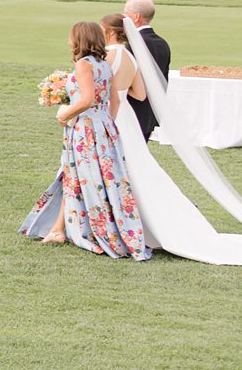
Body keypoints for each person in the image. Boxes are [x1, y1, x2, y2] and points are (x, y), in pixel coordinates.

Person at [94, 14, 242, 264]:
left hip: (114, 117)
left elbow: (103, 91)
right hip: (129, 119)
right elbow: (141, 94)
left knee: (118, 168)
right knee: (138, 169)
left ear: (109, 32)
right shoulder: (131, 56)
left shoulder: (109, 56)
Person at [19, 21, 150, 259]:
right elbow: (115, 102)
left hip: (84, 127)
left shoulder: (84, 65)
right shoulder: (103, 64)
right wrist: (103, 124)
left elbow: (87, 99)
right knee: (89, 177)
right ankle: (60, 228)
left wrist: (65, 114)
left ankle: (84, 229)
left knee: (82, 177)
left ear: (79, 39)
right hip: (103, 126)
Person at [123, 0, 171, 142]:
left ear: (136, 17)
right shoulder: (163, 43)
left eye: (126, 13)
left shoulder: (135, 44)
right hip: (151, 113)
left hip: (133, 112)